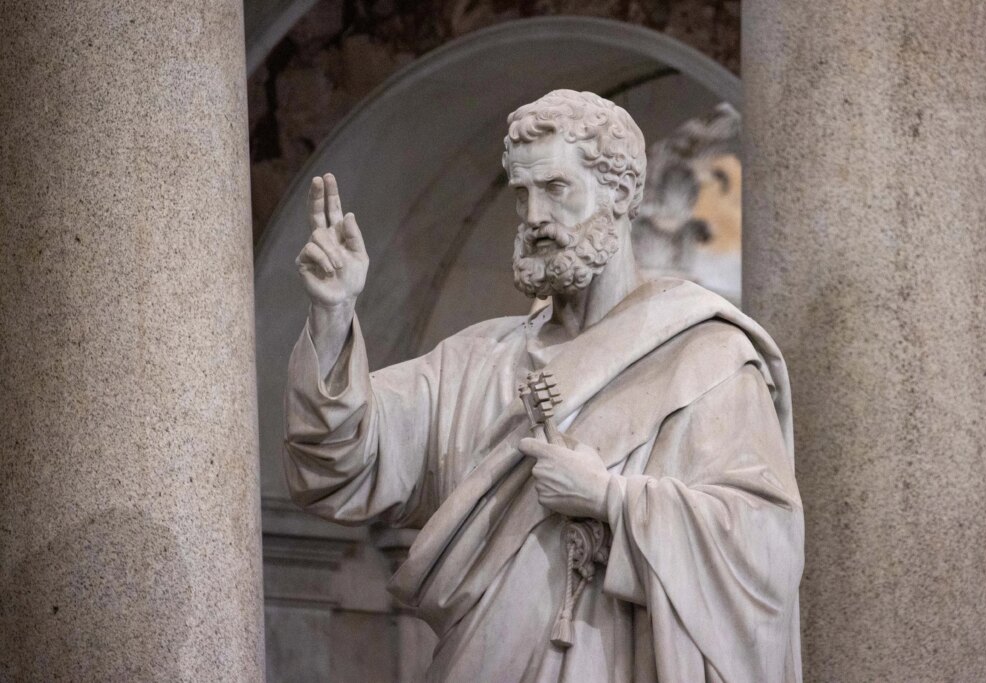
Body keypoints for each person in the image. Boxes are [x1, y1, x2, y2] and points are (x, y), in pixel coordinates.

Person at [285, 89, 803, 682]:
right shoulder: (476, 361)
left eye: (556, 188)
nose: (534, 217)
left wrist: (610, 499)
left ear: (623, 193)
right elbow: (338, 459)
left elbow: (766, 548)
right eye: (522, 194)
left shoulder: (706, 358)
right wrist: (332, 317)